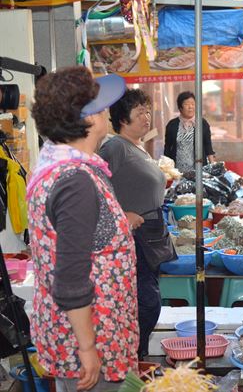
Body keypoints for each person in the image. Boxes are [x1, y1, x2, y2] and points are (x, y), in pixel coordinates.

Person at [27, 67, 138, 391]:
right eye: (102, 107)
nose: (107, 112)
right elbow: (71, 277)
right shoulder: (75, 180)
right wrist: (88, 348)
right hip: (89, 343)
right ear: (88, 121)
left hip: (77, 335)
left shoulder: (57, 164)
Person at [99, 89, 170, 360]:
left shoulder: (137, 146)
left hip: (149, 238)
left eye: (147, 110)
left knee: (145, 301)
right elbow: (97, 189)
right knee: (148, 303)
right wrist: (122, 214)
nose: (146, 116)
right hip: (133, 239)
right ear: (121, 118)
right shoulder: (115, 146)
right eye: (139, 112)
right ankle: (131, 355)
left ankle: (135, 357)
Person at [163, 91, 215, 173]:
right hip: (177, 172)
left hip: (198, 172)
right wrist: (167, 169)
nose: (190, 107)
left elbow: (208, 146)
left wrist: (212, 166)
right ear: (180, 107)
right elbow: (167, 148)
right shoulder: (172, 125)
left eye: (193, 104)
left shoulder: (202, 123)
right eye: (186, 104)